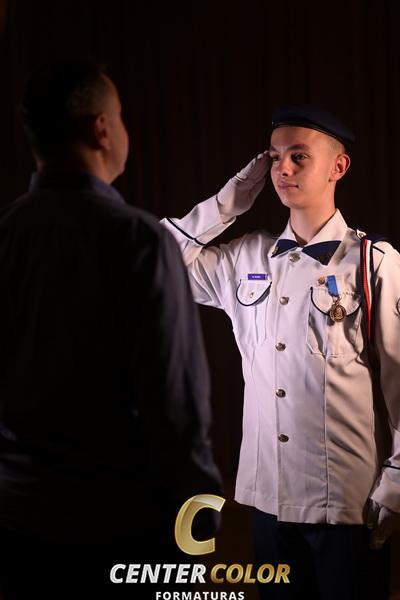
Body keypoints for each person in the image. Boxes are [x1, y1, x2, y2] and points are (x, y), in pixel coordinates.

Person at [0, 60, 221, 599]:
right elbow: (175, 407)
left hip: (17, 524)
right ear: (101, 128)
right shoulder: (138, 241)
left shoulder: (6, 234)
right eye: (119, 117)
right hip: (119, 526)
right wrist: (199, 520)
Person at [162, 105, 400, 599]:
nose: (282, 169)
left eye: (298, 156)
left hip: (349, 506)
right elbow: (157, 259)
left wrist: (397, 485)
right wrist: (228, 202)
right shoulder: (246, 257)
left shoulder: (373, 263)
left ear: (338, 167)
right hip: (267, 501)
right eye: (273, 157)